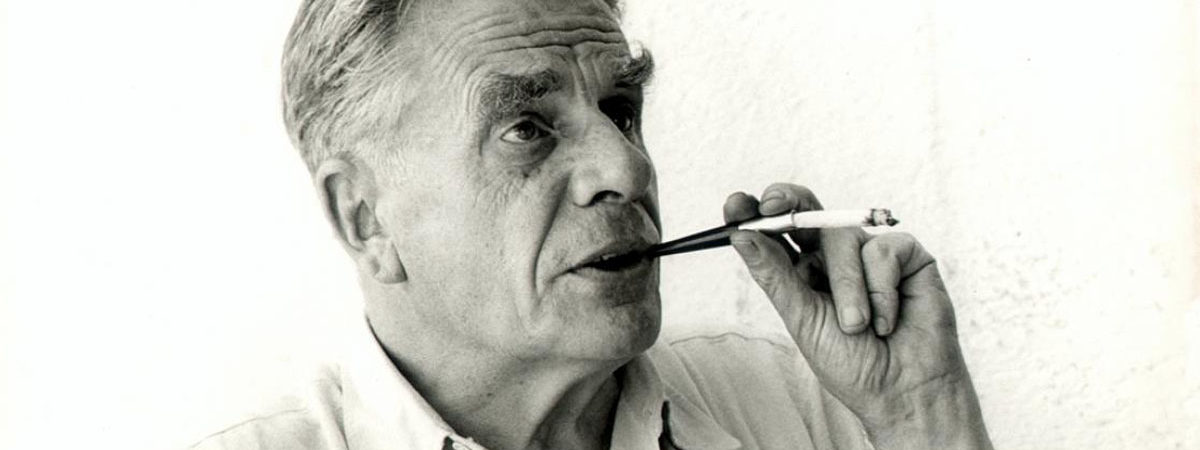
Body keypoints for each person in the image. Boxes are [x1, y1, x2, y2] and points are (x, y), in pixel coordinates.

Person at [193, 0, 993, 448]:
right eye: (526, 128)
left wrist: (921, 417)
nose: (626, 168)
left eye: (621, 109)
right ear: (365, 217)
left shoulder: (797, 409)